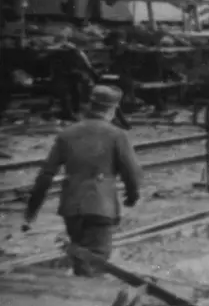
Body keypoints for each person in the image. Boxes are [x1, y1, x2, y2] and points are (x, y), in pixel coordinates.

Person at [22, 85, 142, 277]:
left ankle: (81, 292)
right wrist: (132, 196)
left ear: (89, 106)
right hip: (101, 207)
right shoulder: (117, 135)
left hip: (72, 208)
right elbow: (133, 173)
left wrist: (31, 213)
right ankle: (84, 302)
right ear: (112, 110)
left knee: (82, 257)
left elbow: (45, 175)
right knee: (94, 262)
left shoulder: (67, 134)